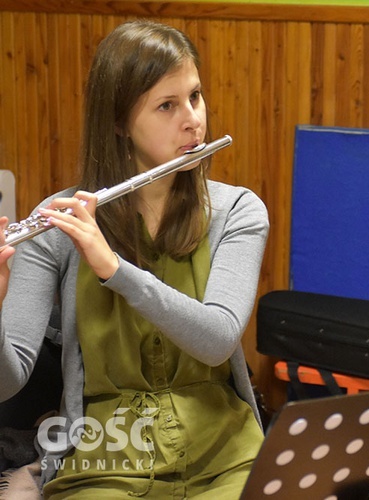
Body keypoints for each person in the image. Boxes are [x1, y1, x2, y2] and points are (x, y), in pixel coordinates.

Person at [0, 20, 269, 498]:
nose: (193, 120)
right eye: (167, 105)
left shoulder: (238, 211)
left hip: (224, 455)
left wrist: (115, 270)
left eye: (195, 96)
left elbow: (217, 339)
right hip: (105, 458)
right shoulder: (58, 224)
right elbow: (9, 380)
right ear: (120, 124)